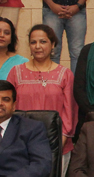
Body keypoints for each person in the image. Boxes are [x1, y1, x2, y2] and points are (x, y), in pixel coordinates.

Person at [9, 25, 76, 155]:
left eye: (43, 41)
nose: (38, 46)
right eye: (33, 42)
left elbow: (70, 112)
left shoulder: (65, 74)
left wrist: (58, 145)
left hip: (57, 144)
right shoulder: (16, 73)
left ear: (53, 44)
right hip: (21, 145)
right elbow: (9, 108)